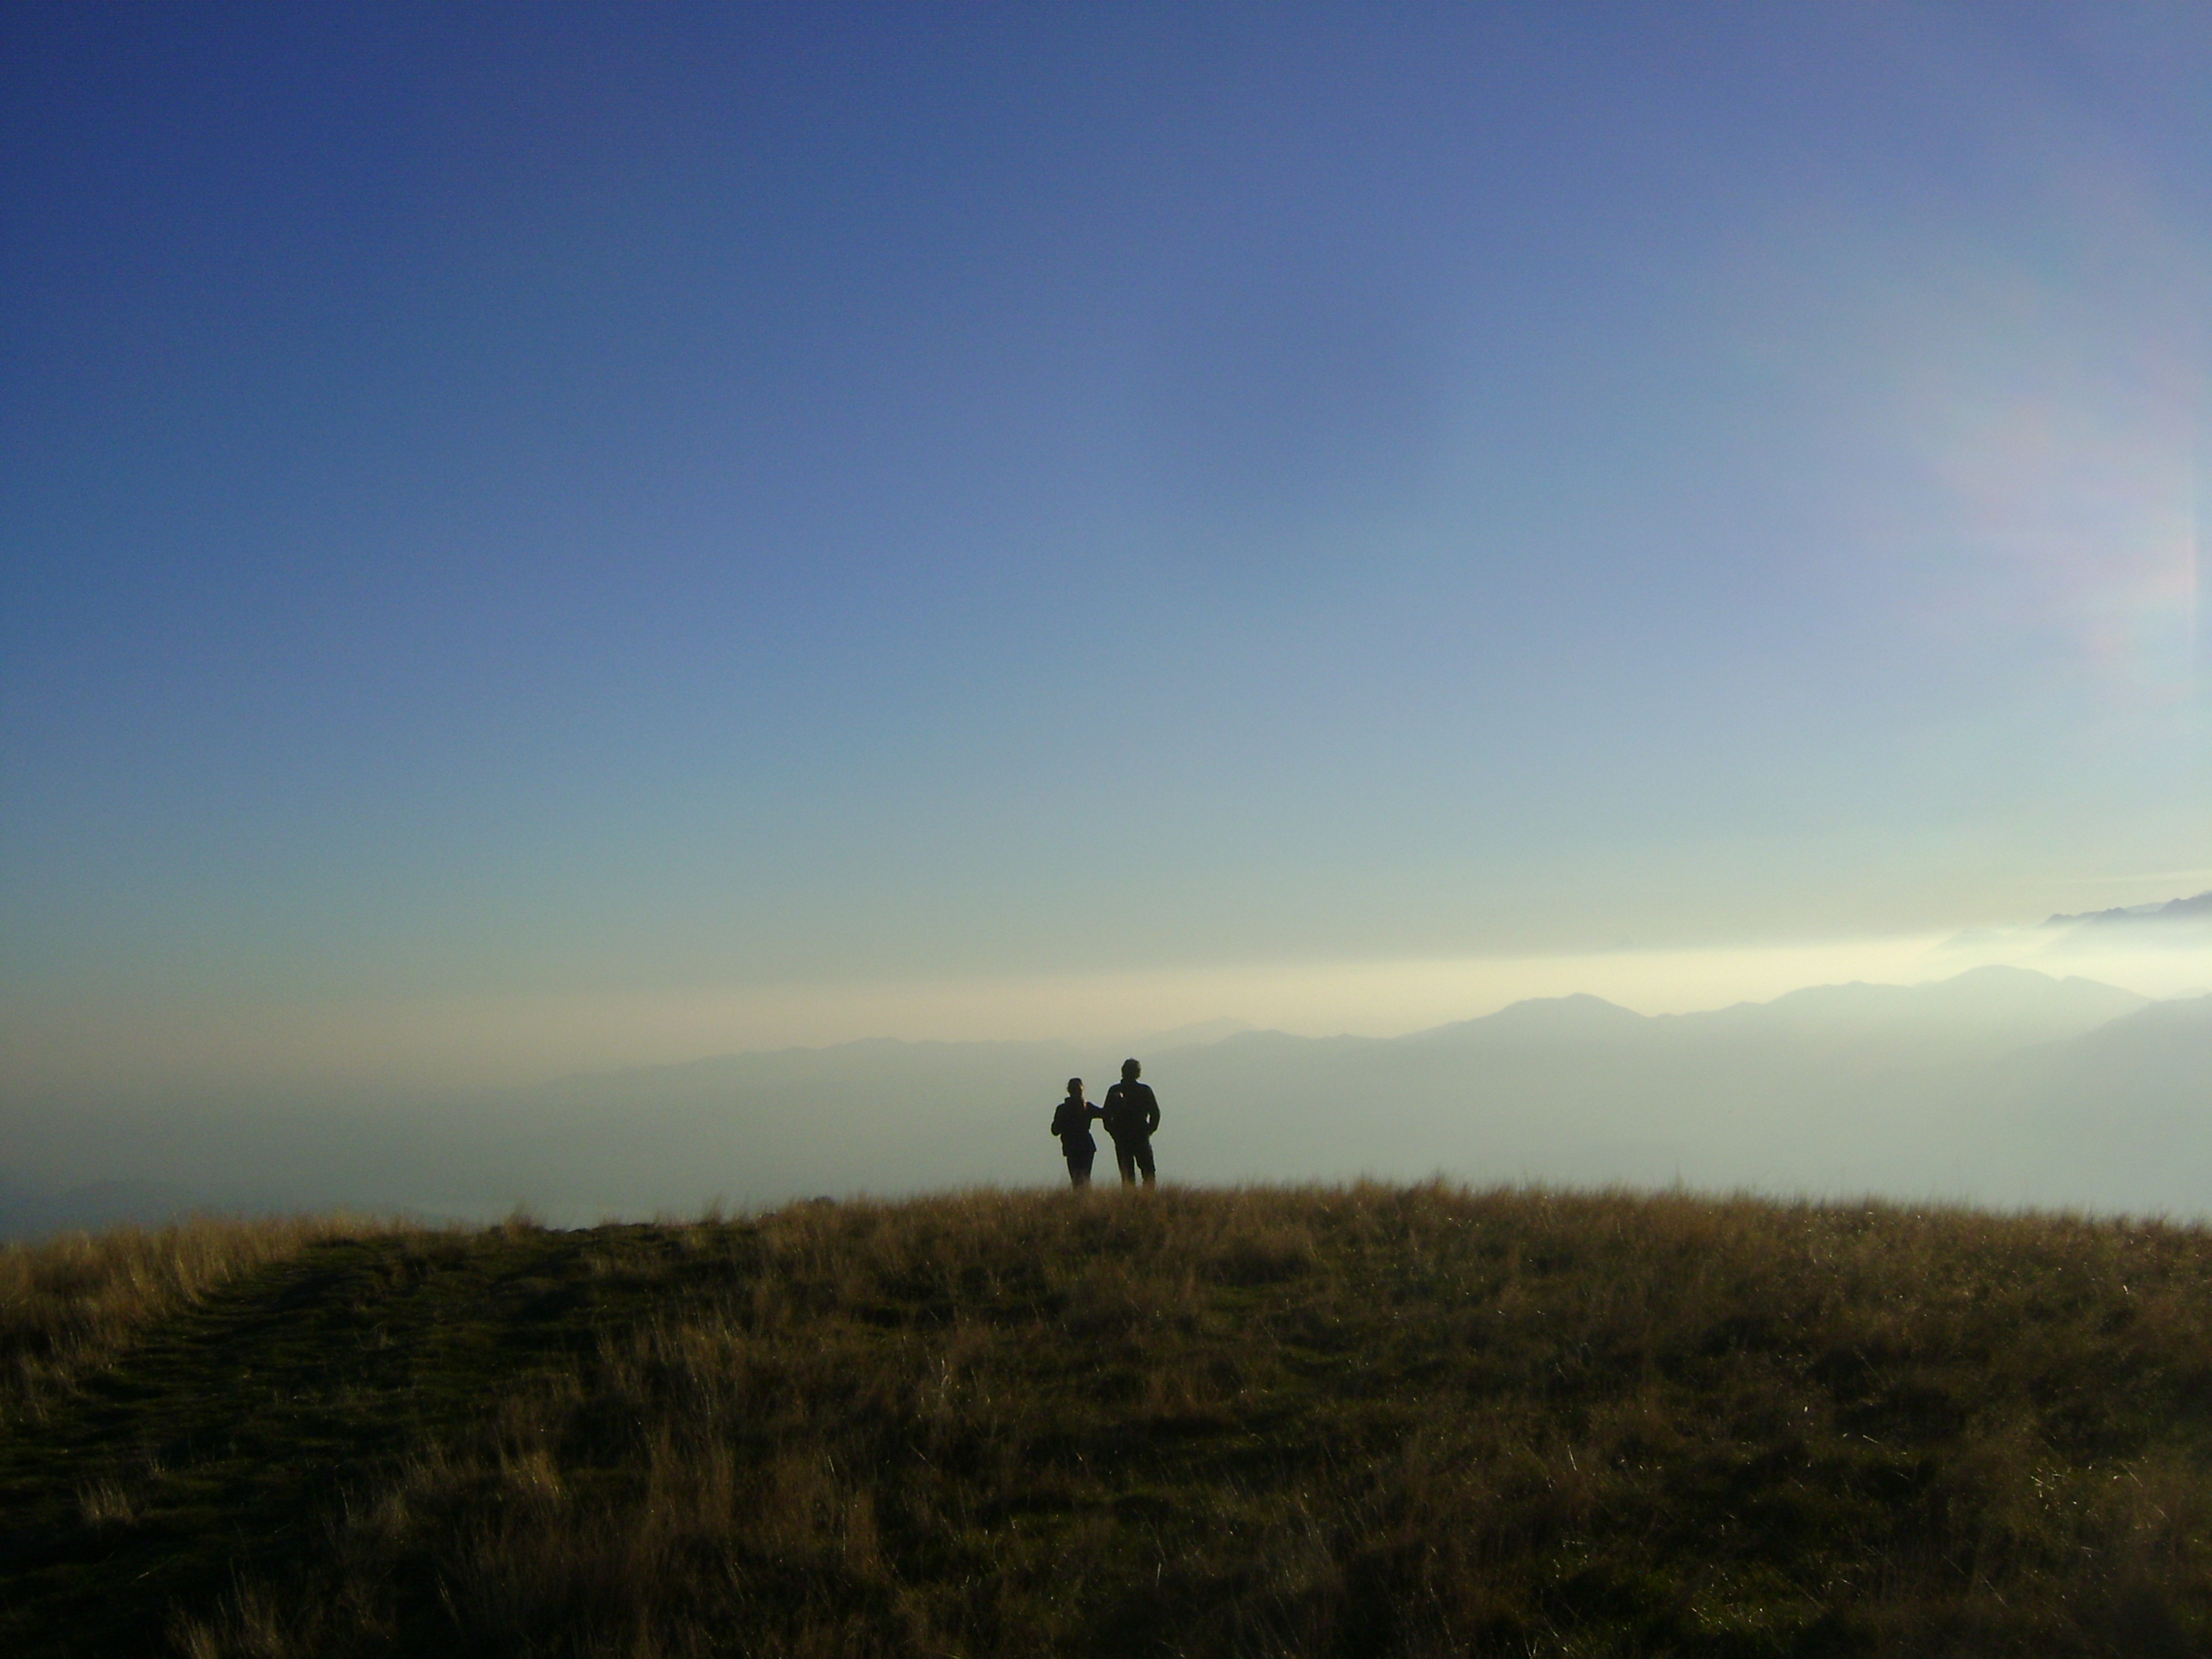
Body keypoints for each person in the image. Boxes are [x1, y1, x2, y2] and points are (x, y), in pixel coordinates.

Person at [1099, 1057, 1161, 1187]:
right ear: (1138, 1073)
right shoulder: (1144, 1090)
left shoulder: (1115, 1090)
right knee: (1148, 1172)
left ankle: (1129, 1201)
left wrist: (1114, 1133)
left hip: (1122, 1137)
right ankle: (1148, 1201)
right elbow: (1155, 1114)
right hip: (1140, 1135)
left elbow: (1106, 1115)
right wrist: (1148, 1131)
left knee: (1127, 1175)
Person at [1049, 1077, 1100, 1188]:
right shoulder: (1087, 1107)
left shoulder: (1063, 1109)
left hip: (1072, 1147)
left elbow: (1055, 1130)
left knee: (1077, 1179)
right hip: (1085, 1146)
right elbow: (1105, 1113)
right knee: (1084, 1177)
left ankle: (1081, 1201)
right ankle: (1087, 1201)